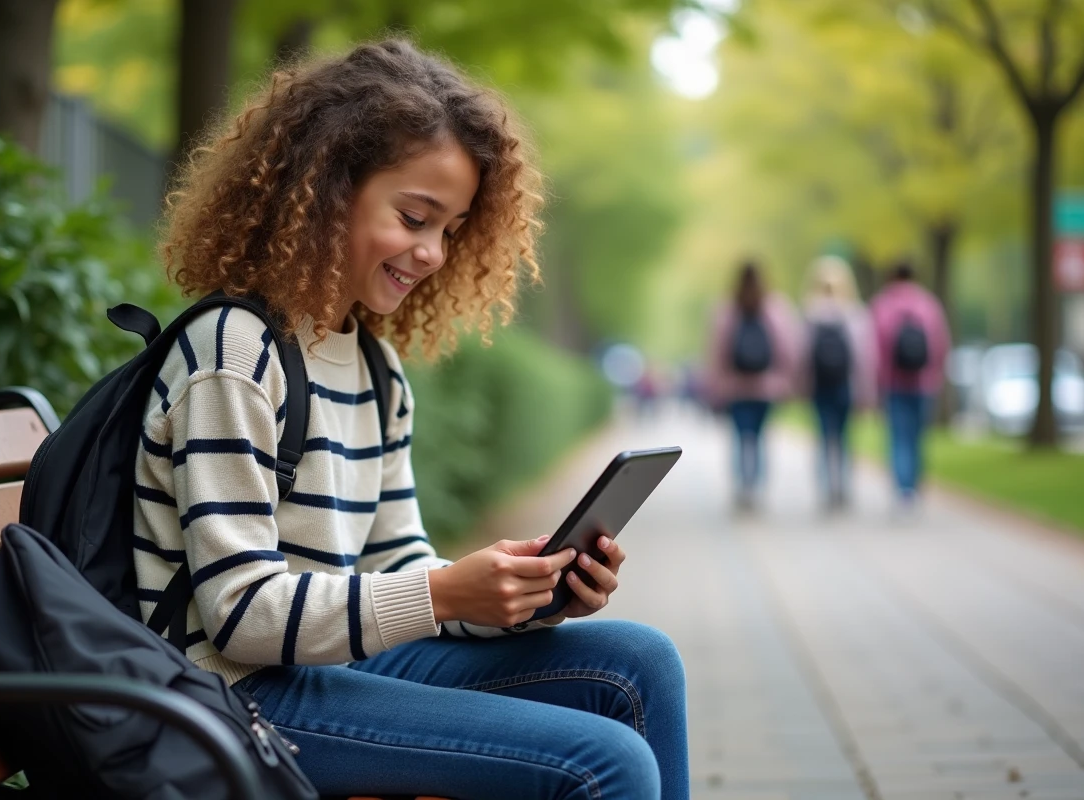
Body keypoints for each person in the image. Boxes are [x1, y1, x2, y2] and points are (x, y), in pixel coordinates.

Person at [137, 40, 688, 799]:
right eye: (414, 217)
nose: (431, 252)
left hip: (329, 669)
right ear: (328, 189)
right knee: (607, 761)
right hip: (230, 698)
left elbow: (397, 568)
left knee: (642, 663)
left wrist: (521, 597)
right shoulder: (232, 350)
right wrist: (443, 594)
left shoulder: (374, 368)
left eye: (451, 229)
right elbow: (241, 617)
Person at [705, 260, 802, 510]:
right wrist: (788, 380)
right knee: (759, 437)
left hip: (735, 387)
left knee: (740, 437)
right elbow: (787, 346)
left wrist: (715, 384)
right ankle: (756, 485)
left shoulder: (727, 308)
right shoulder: (774, 306)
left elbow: (717, 350)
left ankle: (743, 486)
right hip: (766, 386)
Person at [869, 259, 951, 507]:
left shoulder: (882, 305)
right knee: (917, 438)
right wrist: (935, 374)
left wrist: (878, 381)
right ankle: (914, 487)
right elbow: (941, 344)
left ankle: (903, 490)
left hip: (893, 383)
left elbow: (874, 350)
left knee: (898, 438)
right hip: (923, 383)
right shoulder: (928, 304)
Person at [800, 256, 878, 510]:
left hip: (820, 387)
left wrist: (800, 386)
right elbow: (865, 357)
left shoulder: (810, 314)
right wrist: (867, 391)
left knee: (824, 437)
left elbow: (800, 354)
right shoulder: (854, 313)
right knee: (844, 438)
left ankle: (826, 489)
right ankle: (842, 487)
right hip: (845, 385)